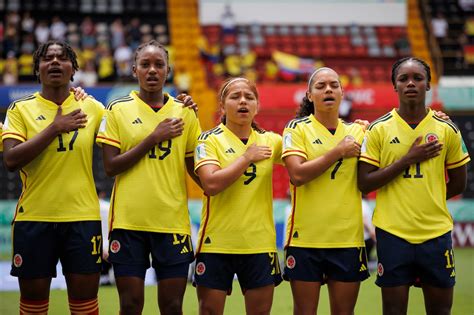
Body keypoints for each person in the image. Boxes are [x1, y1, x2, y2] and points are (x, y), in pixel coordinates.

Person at [96, 40, 201, 315]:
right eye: (145, 64)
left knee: (172, 306)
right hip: (129, 223)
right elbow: (110, 167)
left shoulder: (185, 112)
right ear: (134, 70)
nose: (152, 70)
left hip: (172, 224)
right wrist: (153, 138)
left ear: (168, 70)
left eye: (159, 65)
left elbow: (196, 168)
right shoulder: (117, 109)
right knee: (130, 306)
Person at [358, 57, 470, 315]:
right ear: (394, 86)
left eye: (417, 78)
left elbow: (459, 182)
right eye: (403, 79)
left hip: (435, 232)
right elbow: (364, 182)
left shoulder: (447, 129)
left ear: (428, 85)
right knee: (394, 311)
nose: (410, 83)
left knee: (440, 311)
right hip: (392, 233)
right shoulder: (378, 130)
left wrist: (427, 199)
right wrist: (408, 159)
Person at [2, 40, 104, 315]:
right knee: (33, 307)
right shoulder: (19, 109)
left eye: (62, 58)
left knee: (85, 306)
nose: (55, 62)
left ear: (74, 70)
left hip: (82, 219)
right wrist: (54, 128)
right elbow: (10, 160)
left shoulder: (93, 108)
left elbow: (129, 135)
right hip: (34, 218)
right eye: (47, 58)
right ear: (37, 69)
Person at [282, 67, 369, 315]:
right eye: (320, 86)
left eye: (334, 85)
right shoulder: (296, 129)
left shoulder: (360, 131)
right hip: (305, 239)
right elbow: (297, 175)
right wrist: (338, 151)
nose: (328, 89)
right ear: (309, 95)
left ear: (342, 93)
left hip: (347, 239)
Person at [194, 77, 282, 315]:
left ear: (257, 106)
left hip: (259, 244)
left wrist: (356, 129)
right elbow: (210, 183)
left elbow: (308, 156)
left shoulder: (272, 141)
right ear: (222, 106)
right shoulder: (208, 140)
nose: (242, 101)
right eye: (235, 97)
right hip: (216, 243)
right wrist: (246, 157)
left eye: (249, 97)